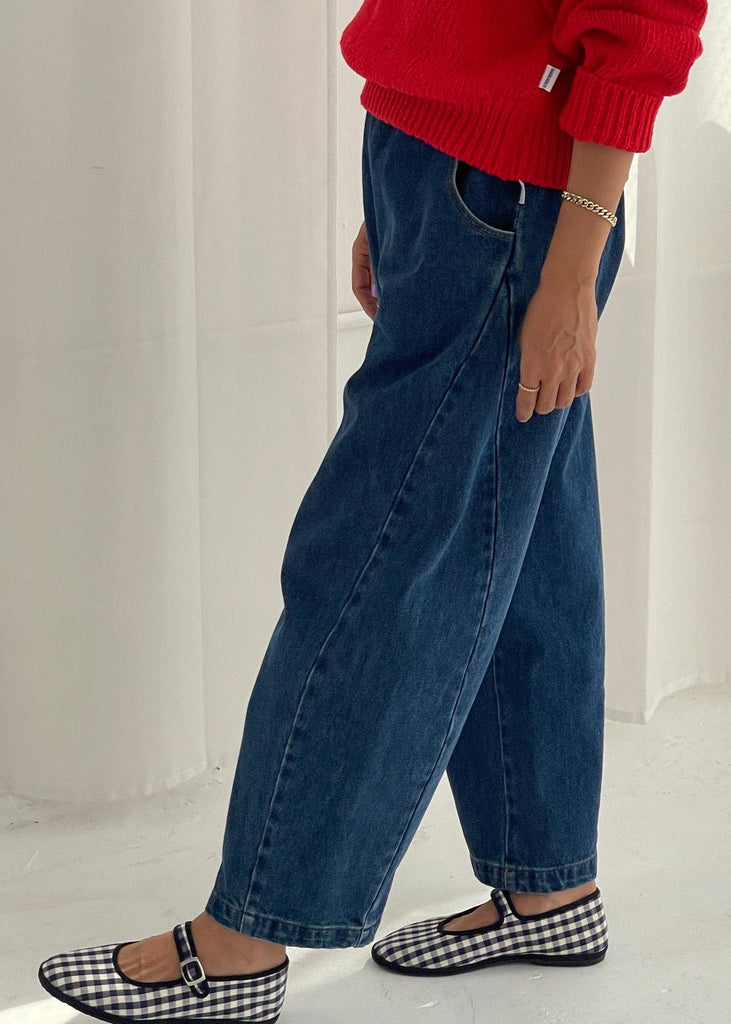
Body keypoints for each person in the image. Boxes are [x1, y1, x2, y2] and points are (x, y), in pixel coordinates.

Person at [37, 1, 708, 1021]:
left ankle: (246, 940)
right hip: (448, 162)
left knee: (374, 554)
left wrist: (566, 257)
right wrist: (406, 192)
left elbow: (642, 18)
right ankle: (547, 884)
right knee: (519, 536)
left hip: (515, 191)